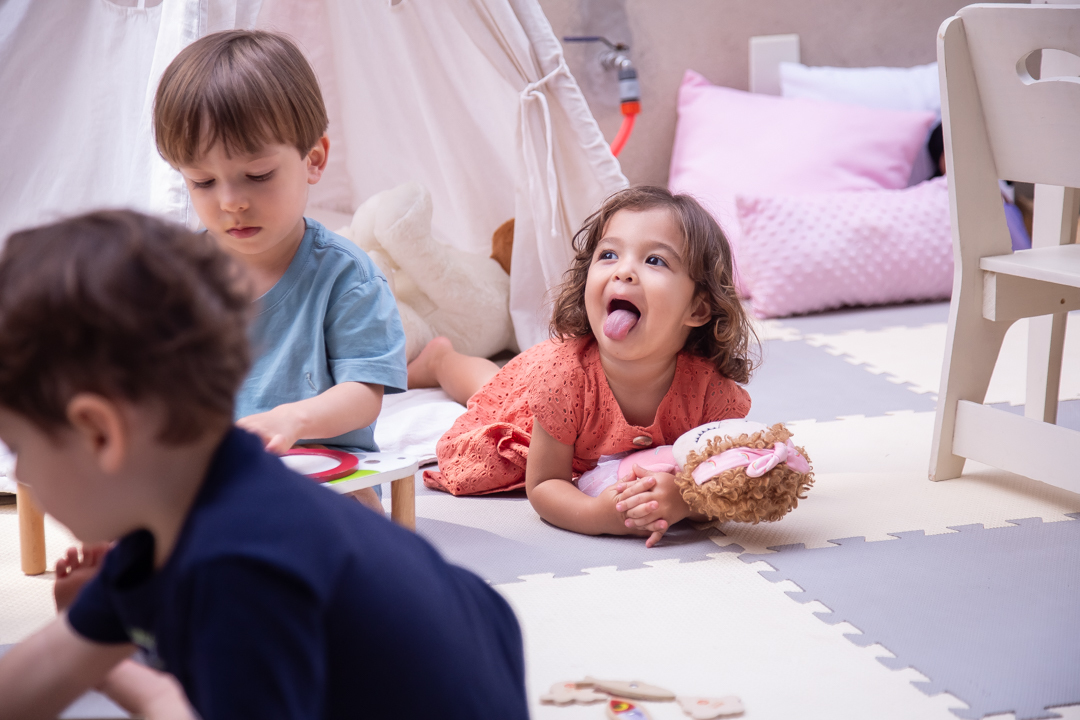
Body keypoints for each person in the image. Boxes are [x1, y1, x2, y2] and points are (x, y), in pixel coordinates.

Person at [0, 211, 528, 720]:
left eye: (18, 447)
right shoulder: (184, 505)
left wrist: (148, 688)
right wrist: (95, 635)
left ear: (100, 434)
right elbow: (44, 669)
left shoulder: (237, 569)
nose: (20, 473)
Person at [419, 186, 758, 547]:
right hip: (535, 395)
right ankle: (441, 359)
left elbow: (731, 477)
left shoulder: (710, 389)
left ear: (698, 309)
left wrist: (684, 498)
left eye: (655, 260)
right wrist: (598, 516)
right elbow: (545, 484)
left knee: (491, 381)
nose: (623, 272)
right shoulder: (564, 378)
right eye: (609, 254)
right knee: (490, 387)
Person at [153, 30, 406, 511]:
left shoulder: (345, 275)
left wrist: (292, 421)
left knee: (347, 536)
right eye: (202, 182)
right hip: (212, 472)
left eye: (258, 175)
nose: (231, 201)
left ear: (313, 160)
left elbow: (363, 393)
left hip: (320, 467)